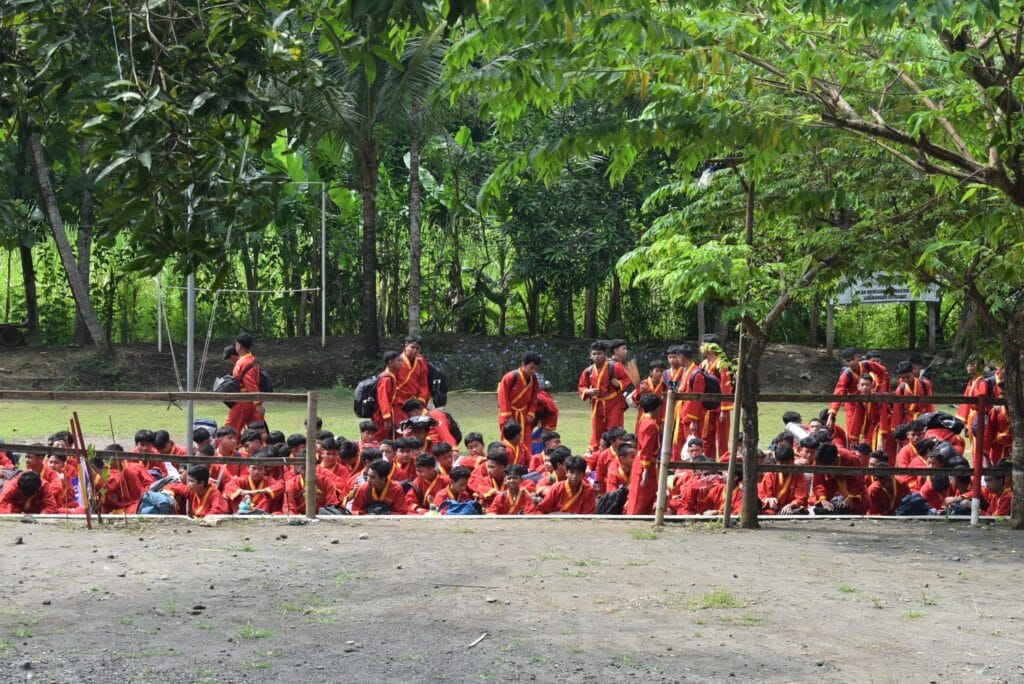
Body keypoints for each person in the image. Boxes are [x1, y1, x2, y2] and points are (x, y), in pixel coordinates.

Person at [826, 348, 890, 445]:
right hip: (852, 404)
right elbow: (838, 393)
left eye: (853, 359)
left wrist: (879, 388)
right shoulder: (846, 375)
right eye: (848, 361)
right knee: (852, 429)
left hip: (869, 400)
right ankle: (852, 448)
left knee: (871, 424)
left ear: (858, 357)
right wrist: (832, 415)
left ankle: (869, 446)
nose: (851, 362)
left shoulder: (867, 365)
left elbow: (882, 371)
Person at [578, 341, 632, 451]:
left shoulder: (615, 367)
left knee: (614, 431)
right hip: (597, 405)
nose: (596, 356)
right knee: (597, 431)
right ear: (590, 355)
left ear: (605, 355)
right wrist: (588, 391)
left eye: (599, 354)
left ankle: (616, 453)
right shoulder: (588, 371)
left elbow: (627, 379)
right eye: (594, 354)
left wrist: (619, 383)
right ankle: (597, 454)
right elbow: (582, 386)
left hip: (614, 404)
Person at [625, 393, 662, 515]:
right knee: (640, 497)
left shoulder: (644, 420)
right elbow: (647, 447)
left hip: (645, 462)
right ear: (657, 409)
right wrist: (645, 469)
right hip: (645, 463)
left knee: (646, 495)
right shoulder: (650, 424)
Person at [700, 337, 734, 460]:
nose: (700, 347)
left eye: (703, 345)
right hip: (707, 407)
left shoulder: (722, 364)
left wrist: (724, 409)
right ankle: (709, 464)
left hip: (719, 407)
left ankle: (724, 464)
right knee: (706, 437)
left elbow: (726, 386)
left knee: (722, 438)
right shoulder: (703, 364)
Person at [225, 333, 265, 437]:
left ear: (239, 345)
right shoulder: (251, 360)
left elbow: (249, 382)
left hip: (244, 400)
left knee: (231, 428)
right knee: (257, 429)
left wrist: (258, 402)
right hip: (251, 401)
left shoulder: (243, 362)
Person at [811, 443, 866, 514]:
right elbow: (818, 482)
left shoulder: (851, 459)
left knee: (853, 508)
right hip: (831, 488)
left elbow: (858, 483)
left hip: (852, 492)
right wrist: (823, 501)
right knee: (819, 508)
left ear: (836, 459)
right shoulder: (819, 460)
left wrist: (848, 500)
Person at [672, 344, 707, 457]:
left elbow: (696, 399)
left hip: (691, 416)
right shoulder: (684, 371)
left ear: (682, 357)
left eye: (677, 357)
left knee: (693, 446)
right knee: (679, 444)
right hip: (682, 414)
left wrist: (693, 420)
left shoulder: (696, 374)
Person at [497, 352, 542, 436]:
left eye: (536, 369)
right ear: (523, 364)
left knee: (526, 440)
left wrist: (531, 413)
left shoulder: (534, 380)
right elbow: (503, 398)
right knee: (509, 440)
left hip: (525, 415)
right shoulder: (510, 377)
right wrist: (507, 417)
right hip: (509, 414)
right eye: (531, 368)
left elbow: (534, 398)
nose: (534, 371)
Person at [532, 456, 596, 515]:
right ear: (566, 473)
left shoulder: (588, 490)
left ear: (584, 474)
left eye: (578, 473)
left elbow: (588, 515)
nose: (574, 476)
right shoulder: (557, 488)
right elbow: (542, 509)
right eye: (571, 472)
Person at [758, 444, 807, 515]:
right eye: (781, 463)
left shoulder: (799, 475)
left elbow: (801, 497)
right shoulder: (770, 474)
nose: (784, 467)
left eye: (787, 463)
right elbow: (762, 494)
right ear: (777, 461)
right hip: (773, 509)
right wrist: (769, 500)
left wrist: (790, 505)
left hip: (792, 508)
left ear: (793, 461)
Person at [165, 465, 230, 518]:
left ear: (201, 483)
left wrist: (205, 519)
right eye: (189, 481)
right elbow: (171, 486)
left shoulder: (214, 494)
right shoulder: (191, 489)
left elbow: (218, 511)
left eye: (192, 481)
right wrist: (171, 497)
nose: (189, 484)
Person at [392, 336, 431, 423]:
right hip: (398, 401)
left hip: (414, 401)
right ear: (406, 346)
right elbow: (389, 382)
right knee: (402, 426)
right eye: (412, 347)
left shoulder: (420, 362)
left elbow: (423, 383)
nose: (414, 350)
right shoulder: (396, 361)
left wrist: (420, 401)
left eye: (417, 348)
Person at [864, 450, 908, 515]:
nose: (872, 468)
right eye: (870, 464)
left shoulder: (901, 483)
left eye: (874, 465)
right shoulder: (871, 487)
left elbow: (909, 502)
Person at [629, 360, 667, 430]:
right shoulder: (644, 383)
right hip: (644, 414)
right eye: (657, 371)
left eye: (661, 371)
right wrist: (640, 392)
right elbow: (635, 400)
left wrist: (663, 419)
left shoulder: (664, 386)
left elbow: (664, 404)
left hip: (658, 415)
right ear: (651, 372)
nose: (659, 373)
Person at [374, 351, 403, 439]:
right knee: (381, 437)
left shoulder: (393, 375)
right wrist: (387, 418)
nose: (401, 363)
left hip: (392, 413)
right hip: (383, 415)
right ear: (391, 362)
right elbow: (383, 399)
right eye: (399, 361)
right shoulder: (386, 379)